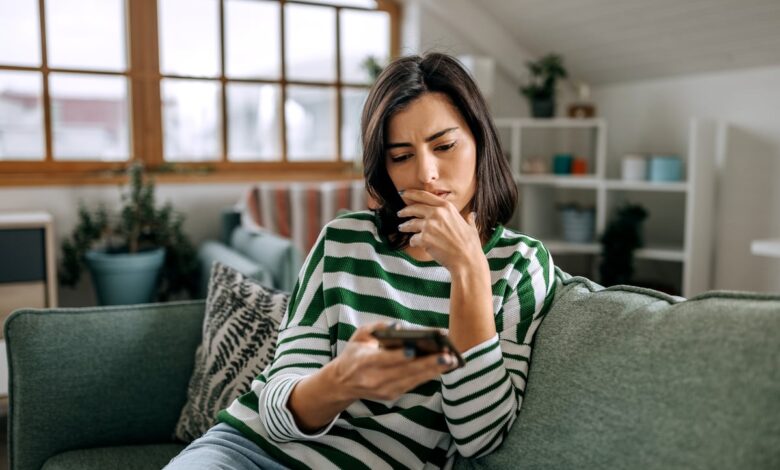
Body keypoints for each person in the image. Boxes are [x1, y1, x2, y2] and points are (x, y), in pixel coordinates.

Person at [166, 52, 556, 470]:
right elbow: (275, 412)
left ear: (480, 141)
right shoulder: (343, 241)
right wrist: (342, 380)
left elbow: (479, 437)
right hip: (246, 452)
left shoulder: (520, 265)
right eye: (401, 156)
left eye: (444, 146)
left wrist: (469, 271)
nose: (426, 173)